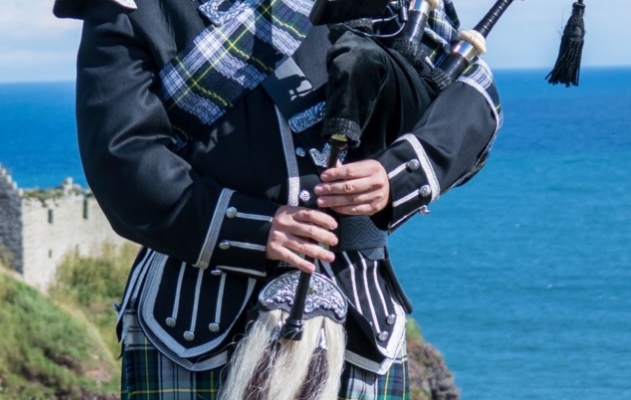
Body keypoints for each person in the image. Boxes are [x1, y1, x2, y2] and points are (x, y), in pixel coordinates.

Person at [51, 0, 503, 398]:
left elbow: (468, 94)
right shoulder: (136, 6)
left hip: (360, 323)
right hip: (189, 327)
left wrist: (396, 175)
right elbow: (121, 156)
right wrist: (253, 229)